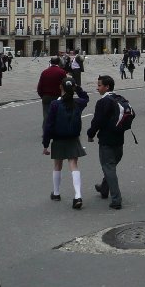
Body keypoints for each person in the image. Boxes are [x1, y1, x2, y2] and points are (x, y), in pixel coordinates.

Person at [43, 78, 90, 209]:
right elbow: (86, 98)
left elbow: (49, 125)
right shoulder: (78, 103)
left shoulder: (55, 104)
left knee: (57, 165)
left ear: (60, 87)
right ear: (73, 87)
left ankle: (56, 193)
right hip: (73, 138)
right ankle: (78, 195)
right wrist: (78, 88)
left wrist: (45, 144)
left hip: (58, 138)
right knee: (73, 164)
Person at [87, 75, 127, 210]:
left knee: (108, 167)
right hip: (119, 138)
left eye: (99, 85)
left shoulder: (103, 102)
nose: (97, 88)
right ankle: (104, 188)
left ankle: (116, 199)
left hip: (106, 140)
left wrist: (90, 134)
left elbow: (97, 121)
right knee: (110, 166)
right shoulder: (119, 98)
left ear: (107, 86)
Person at [37, 57, 68, 125]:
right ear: (59, 63)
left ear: (50, 62)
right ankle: (57, 131)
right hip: (58, 97)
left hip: (46, 97)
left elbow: (39, 87)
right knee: (58, 115)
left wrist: (43, 96)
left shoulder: (44, 72)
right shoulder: (62, 72)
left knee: (46, 116)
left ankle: (46, 132)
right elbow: (65, 86)